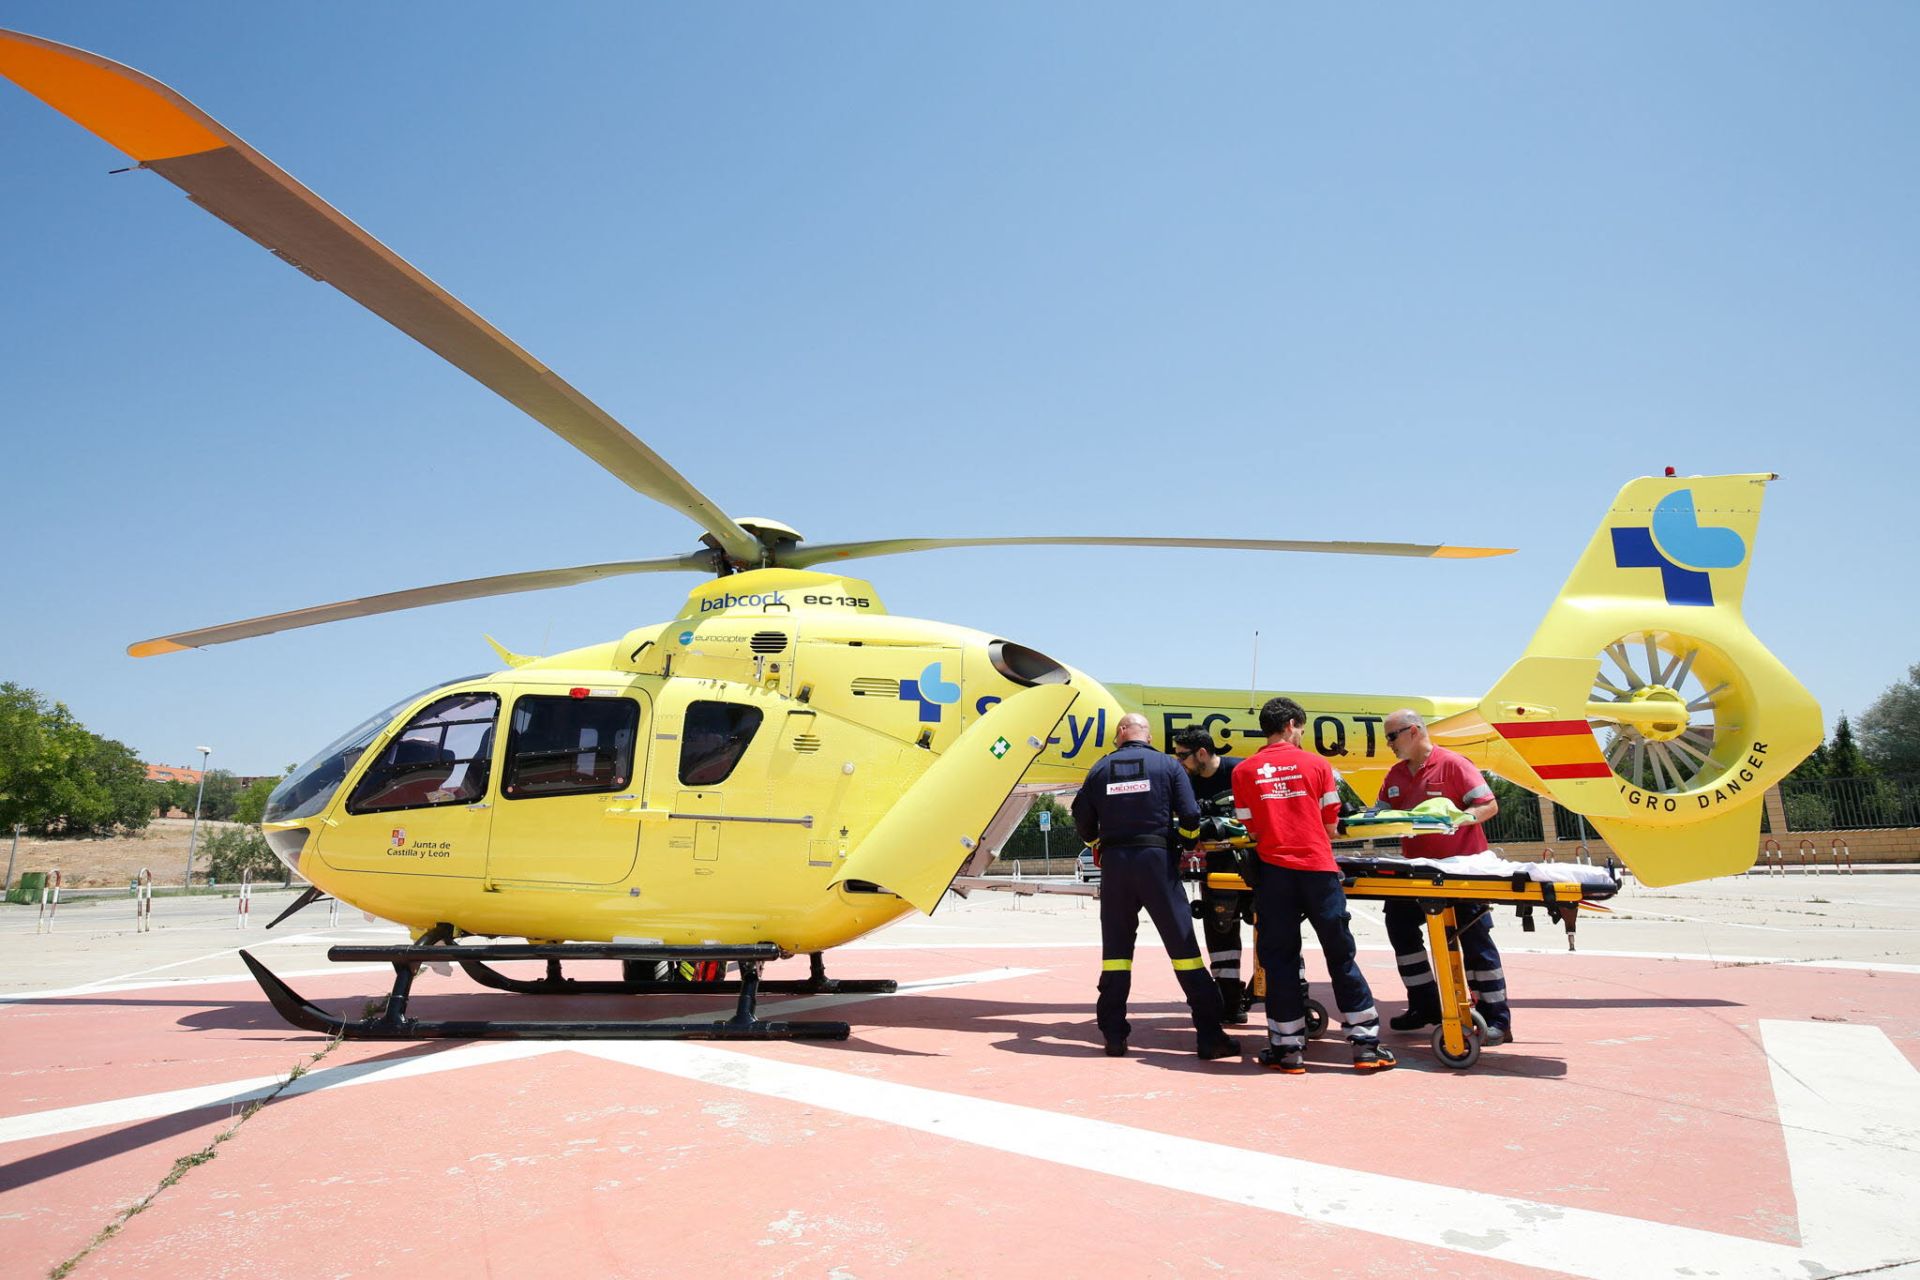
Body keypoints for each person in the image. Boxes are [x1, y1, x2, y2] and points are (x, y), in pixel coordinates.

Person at [1232, 697, 1395, 1073]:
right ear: (1291, 724)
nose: (1302, 735)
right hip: (1318, 871)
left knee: (1280, 961)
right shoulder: (1318, 765)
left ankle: (1288, 1050)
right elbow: (1332, 826)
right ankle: (1366, 1046)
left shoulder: (1243, 772)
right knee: (1341, 956)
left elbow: (1250, 828)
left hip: (1273, 874)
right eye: (1302, 729)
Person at [1072, 713, 1239, 1061]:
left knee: (1116, 955)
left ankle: (1114, 1036)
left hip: (1116, 866)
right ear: (1147, 736)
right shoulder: (1167, 766)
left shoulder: (1100, 769)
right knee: (1185, 951)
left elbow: (1081, 816)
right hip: (1157, 863)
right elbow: (1191, 814)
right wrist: (1189, 841)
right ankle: (1210, 1036)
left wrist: (1097, 842)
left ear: (1121, 733)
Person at [1371, 709, 1510, 1045]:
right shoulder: (1395, 775)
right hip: (1417, 872)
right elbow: (1379, 814)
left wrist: (1459, 820)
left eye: (1392, 736)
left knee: (1475, 941)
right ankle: (1424, 1005)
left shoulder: (1454, 764)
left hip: (1462, 871)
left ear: (1414, 731)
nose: (1388, 743)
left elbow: (1488, 805)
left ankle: (1497, 1019)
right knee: (1399, 925)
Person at [1172, 727, 1250, 1024]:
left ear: (1202, 753)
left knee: (1270, 927)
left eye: (1183, 756)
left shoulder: (1240, 771)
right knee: (1220, 931)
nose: (1179, 762)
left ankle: (1276, 992)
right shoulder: (1187, 783)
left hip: (1253, 862)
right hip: (1218, 865)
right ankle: (1230, 1001)